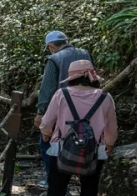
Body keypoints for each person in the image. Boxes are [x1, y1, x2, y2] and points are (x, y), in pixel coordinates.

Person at [39, 59, 117, 196]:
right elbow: (111, 128)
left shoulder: (62, 95)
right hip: (93, 150)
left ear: (73, 77)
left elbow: (47, 122)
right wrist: (109, 145)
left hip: (62, 149)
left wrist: (46, 134)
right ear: (91, 77)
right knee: (89, 186)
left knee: (56, 191)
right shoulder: (105, 97)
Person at [34, 30, 93, 187]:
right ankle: (79, 178)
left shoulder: (54, 59)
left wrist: (41, 112)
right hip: (88, 108)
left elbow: (47, 89)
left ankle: (52, 180)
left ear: (51, 46)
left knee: (48, 143)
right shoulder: (85, 53)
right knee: (82, 141)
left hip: (62, 108)